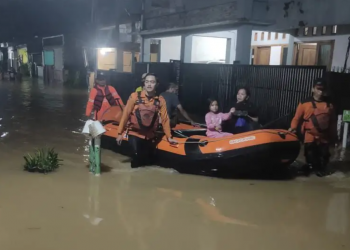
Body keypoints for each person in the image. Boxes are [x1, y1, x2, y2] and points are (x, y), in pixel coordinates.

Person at [116, 73, 177, 168]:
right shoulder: (134, 96)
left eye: (152, 82)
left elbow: (165, 119)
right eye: (147, 82)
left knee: (147, 163)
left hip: (149, 136)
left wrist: (169, 136)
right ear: (143, 83)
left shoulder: (160, 100)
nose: (149, 84)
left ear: (157, 84)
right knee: (136, 161)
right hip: (135, 134)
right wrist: (120, 133)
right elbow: (126, 114)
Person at [289, 79, 336, 177]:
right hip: (310, 134)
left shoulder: (329, 105)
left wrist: (334, 136)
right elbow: (296, 118)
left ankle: (320, 169)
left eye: (322, 89)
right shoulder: (304, 103)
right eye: (318, 89)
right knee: (310, 155)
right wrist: (292, 128)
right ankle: (310, 167)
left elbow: (332, 122)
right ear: (313, 89)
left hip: (324, 136)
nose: (320, 92)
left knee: (324, 157)